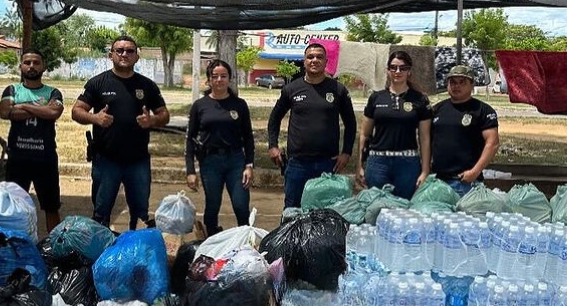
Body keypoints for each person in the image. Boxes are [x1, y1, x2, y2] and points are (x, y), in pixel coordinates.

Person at [71, 35, 170, 229]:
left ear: (137, 57)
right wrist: (95, 118)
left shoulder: (147, 85)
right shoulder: (98, 83)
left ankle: (135, 247)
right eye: (120, 50)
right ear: (111, 55)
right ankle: (101, 246)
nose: (125, 54)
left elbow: (164, 115)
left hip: (138, 160)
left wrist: (152, 120)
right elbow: (76, 111)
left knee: (141, 216)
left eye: (130, 51)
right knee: (101, 215)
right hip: (106, 160)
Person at [267, 43, 357, 208]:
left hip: (328, 163)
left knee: (325, 211)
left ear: (326, 61)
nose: (314, 60)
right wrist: (273, 146)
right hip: (297, 163)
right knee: (293, 210)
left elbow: (351, 123)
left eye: (319, 57)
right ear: (304, 61)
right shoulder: (291, 89)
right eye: (310, 57)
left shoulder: (338, 90)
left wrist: (346, 152)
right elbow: (274, 119)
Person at [185, 59, 255, 234]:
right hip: (210, 162)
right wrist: (190, 171)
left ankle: (245, 241)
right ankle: (212, 240)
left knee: (241, 205)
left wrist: (249, 165)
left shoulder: (239, 105)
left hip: (236, 161)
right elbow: (190, 139)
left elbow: (248, 137)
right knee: (212, 206)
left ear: (229, 78)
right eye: (215, 76)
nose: (219, 80)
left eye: (223, 76)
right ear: (209, 79)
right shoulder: (199, 106)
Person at [0, 48, 64, 233]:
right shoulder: (12, 89)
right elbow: (5, 112)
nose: (32, 66)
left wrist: (22, 106)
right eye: (27, 62)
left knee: (51, 207)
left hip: (45, 159)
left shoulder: (53, 92)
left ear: (44, 66)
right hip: (18, 158)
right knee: (14, 207)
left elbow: (53, 112)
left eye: (36, 62)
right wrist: (40, 108)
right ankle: (15, 242)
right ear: (21, 66)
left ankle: (55, 244)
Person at [356, 51, 432, 200]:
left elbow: (425, 138)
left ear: (409, 71)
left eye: (403, 68)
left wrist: (425, 171)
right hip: (378, 163)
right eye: (393, 67)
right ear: (388, 70)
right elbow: (364, 134)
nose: (398, 71)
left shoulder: (420, 99)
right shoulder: (376, 98)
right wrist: (359, 165)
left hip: (407, 164)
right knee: (376, 207)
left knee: (404, 208)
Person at [431, 64, 500, 197]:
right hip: (438, 182)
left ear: (472, 85)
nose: (456, 86)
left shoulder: (483, 111)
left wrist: (475, 172)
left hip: (466, 182)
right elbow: (426, 141)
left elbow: (493, 144)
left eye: (462, 82)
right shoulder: (437, 109)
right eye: (453, 82)